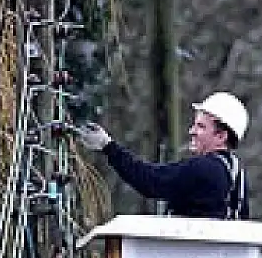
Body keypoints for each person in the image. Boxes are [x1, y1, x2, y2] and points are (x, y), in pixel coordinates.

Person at [74, 92, 251, 220]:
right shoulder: (237, 175)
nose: (192, 131)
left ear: (221, 136)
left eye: (201, 127)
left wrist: (107, 146)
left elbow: (149, 180)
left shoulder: (205, 168)